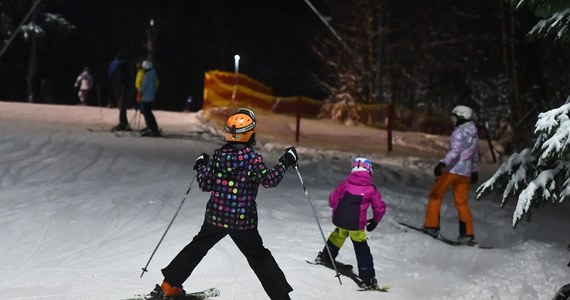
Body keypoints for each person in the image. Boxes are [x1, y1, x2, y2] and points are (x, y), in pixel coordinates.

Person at [148, 108, 297, 300]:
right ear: (250, 135)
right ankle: (281, 297)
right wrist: (285, 162)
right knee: (259, 257)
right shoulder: (252, 159)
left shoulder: (219, 157)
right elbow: (269, 180)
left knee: (197, 248)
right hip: (242, 221)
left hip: (216, 217)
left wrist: (201, 166)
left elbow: (205, 183)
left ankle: (168, 287)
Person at [314, 157, 386, 290]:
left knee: (338, 235)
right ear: (369, 172)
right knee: (361, 248)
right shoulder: (371, 189)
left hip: (340, 220)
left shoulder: (345, 184)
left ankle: (325, 256)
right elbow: (379, 208)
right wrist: (375, 221)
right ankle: (367, 278)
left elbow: (332, 200)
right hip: (356, 226)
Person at [423, 105, 480, 245]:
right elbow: (475, 155)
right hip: (465, 174)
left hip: (452, 170)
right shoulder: (473, 134)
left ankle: (431, 226)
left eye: (454, 117)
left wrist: (443, 163)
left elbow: (455, 151)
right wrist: (474, 170)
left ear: (461, 117)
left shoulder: (459, 132)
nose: (452, 121)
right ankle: (467, 234)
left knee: (435, 195)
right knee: (461, 202)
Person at [109, 53, 131, 131]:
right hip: (122, 86)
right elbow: (128, 77)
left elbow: (111, 74)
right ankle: (124, 122)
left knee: (121, 104)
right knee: (122, 104)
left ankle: (123, 123)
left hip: (119, 86)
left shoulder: (116, 64)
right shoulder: (123, 65)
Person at [138, 60, 161, 137]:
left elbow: (144, 87)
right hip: (151, 96)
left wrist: (139, 91)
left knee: (147, 113)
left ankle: (152, 129)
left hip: (146, 97)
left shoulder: (147, 75)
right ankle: (152, 127)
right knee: (148, 113)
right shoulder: (153, 73)